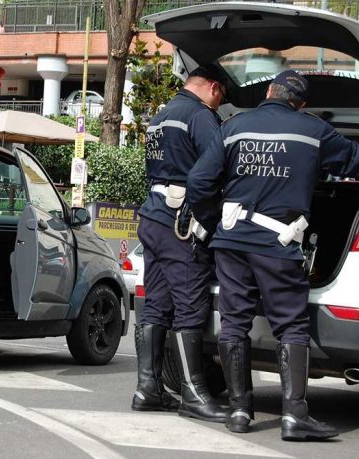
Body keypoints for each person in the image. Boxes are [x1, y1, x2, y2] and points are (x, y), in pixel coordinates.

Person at [186, 70, 359, 440]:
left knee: (234, 322)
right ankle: (294, 417)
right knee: (291, 326)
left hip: (232, 243)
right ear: (301, 103)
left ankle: (239, 412)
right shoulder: (312, 131)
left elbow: (198, 181)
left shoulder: (234, 126)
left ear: (269, 91)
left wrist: (216, 223)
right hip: (277, 245)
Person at [131, 65, 229, 423]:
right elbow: (214, 171)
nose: (219, 107)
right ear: (213, 88)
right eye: (221, 100)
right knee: (190, 304)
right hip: (180, 224)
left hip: (154, 217)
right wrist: (207, 216)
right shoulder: (201, 116)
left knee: (157, 304)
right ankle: (193, 393)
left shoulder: (160, 116)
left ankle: (148, 389)